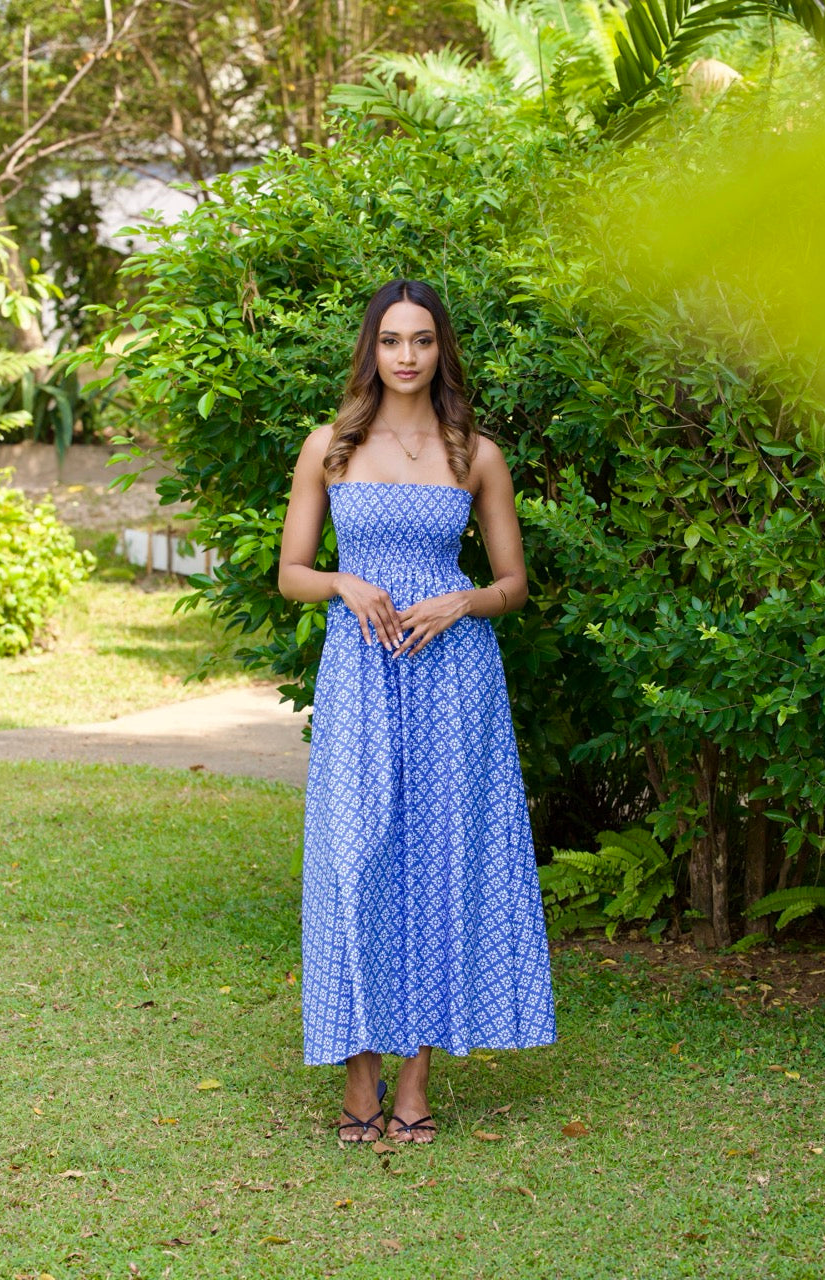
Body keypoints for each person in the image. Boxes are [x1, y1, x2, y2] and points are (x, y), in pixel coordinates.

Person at [278, 279, 556, 1145]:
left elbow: (513, 585)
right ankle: (356, 1075)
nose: (407, 355)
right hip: (361, 676)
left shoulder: (475, 452)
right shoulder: (328, 446)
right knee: (353, 863)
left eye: (423, 341)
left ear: (442, 351)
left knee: (439, 867)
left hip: (452, 678)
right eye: (392, 340)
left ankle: (412, 1083)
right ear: (372, 348)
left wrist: (462, 602)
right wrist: (342, 581)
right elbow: (290, 573)